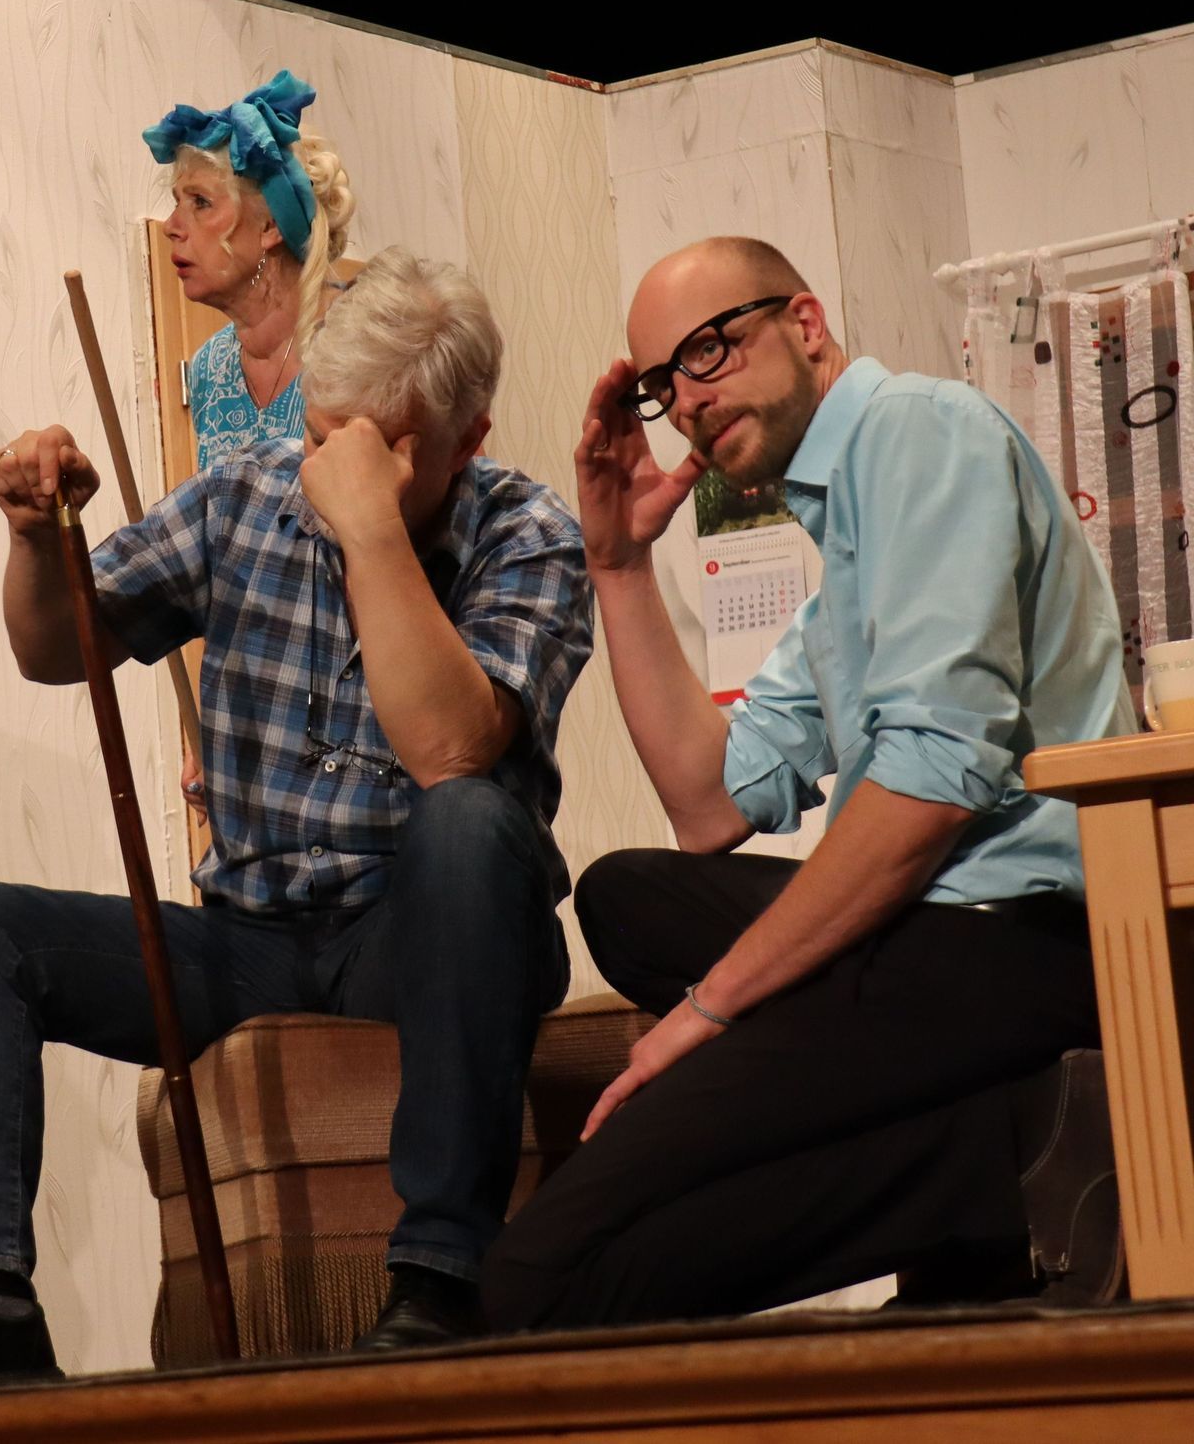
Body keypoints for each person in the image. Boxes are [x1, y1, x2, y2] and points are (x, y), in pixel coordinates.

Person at [0, 249, 590, 1401]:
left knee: (465, 820)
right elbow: (55, 648)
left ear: (467, 440)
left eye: (377, 447)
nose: (335, 470)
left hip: (425, 929)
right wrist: (36, 538)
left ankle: (438, 1280)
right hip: (251, 936)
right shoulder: (241, 497)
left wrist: (372, 534)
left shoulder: (526, 534)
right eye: (324, 435)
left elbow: (449, 749)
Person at [480, 235, 1134, 1334]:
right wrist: (618, 565)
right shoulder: (843, 546)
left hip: (1018, 941)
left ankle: (1003, 1157)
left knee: (536, 1281)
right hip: (934, 935)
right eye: (662, 384)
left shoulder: (916, 431)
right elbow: (706, 804)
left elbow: (931, 790)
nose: (687, 400)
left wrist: (709, 1010)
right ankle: (1001, 1155)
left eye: (709, 350)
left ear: (806, 322)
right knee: (624, 897)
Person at [143, 69, 357, 818]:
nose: (173, 226)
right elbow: (221, 570)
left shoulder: (357, 350)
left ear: (269, 228)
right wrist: (209, 731)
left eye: (200, 203)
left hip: (362, 706)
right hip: (255, 720)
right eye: (177, 203)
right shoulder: (209, 371)